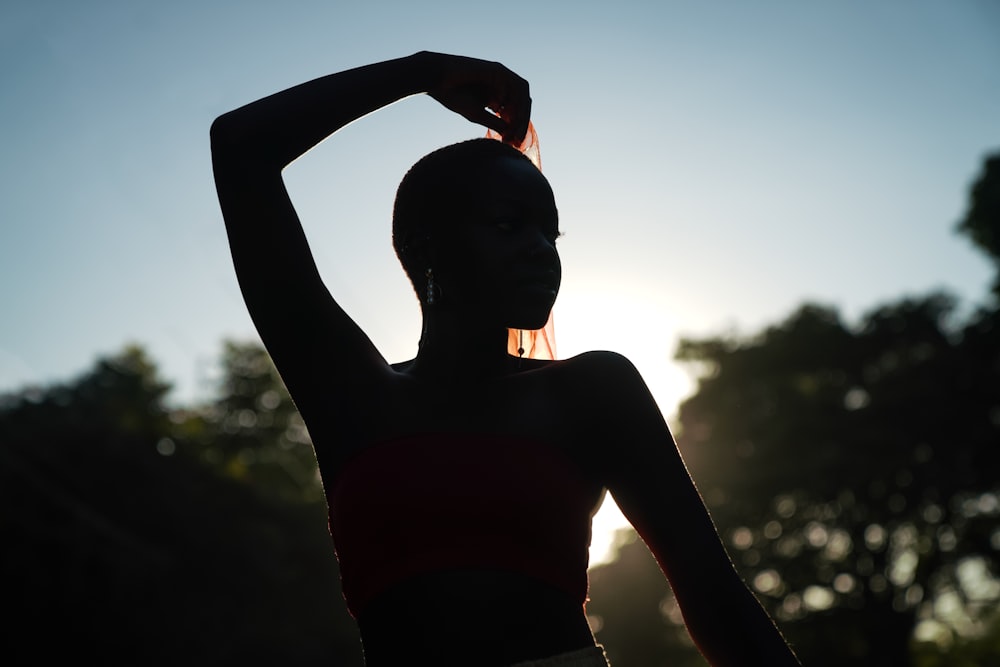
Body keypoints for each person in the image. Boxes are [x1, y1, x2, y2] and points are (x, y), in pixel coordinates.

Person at [210, 51, 802, 667]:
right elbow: (239, 148)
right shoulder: (351, 396)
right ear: (423, 246)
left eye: (551, 233)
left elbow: (713, 596)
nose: (541, 252)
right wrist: (422, 71)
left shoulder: (594, 390)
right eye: (507, 225)